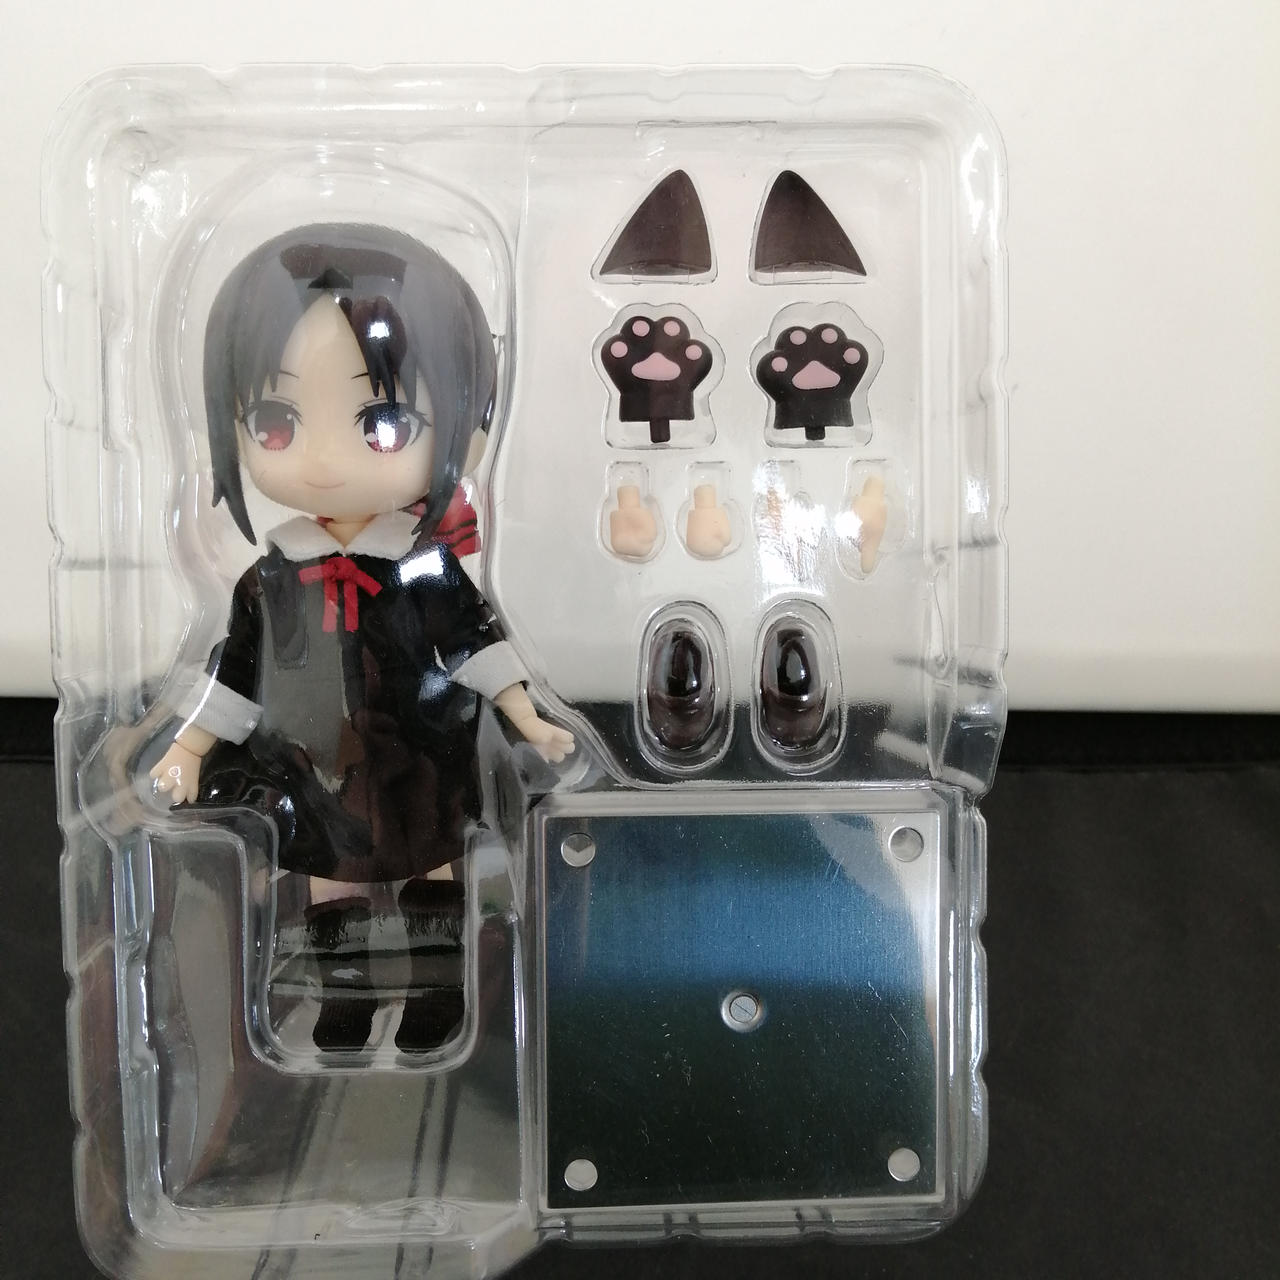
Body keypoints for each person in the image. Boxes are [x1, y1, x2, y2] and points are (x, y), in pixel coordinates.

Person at [150, 224, 573, 1054]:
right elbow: (236, 673)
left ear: (466, 430)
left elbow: (475, 643)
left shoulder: (423, 565)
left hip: (422, 753)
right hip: (314, 764)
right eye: (275, 422)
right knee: (327, 883)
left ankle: (438, 997)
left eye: (381, 423)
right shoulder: (272, 577)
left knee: (431, 868)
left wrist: (530, 718)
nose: (323, 460)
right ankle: (340, 1001)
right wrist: (187, 749)